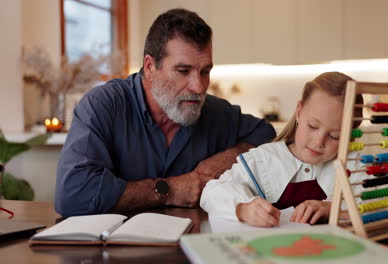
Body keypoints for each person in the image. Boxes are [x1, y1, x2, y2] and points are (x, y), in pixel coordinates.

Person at [55, 8, 276, 217]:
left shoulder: (216, 112)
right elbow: (73, 194)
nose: (198, 87)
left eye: (205, 71)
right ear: (150, 67)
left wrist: (226, 160)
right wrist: (171, 189)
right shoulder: (103, 105)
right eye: (183, 71)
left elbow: (268, 136)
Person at [200, 72, 366, 227]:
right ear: (299, 112)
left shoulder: (353, 166)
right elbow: (211, 192)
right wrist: (242, 208)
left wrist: (333, 209)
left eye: (335, 136)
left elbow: (376, 207)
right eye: (313, 126)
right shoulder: (262, 160)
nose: (318, 142)